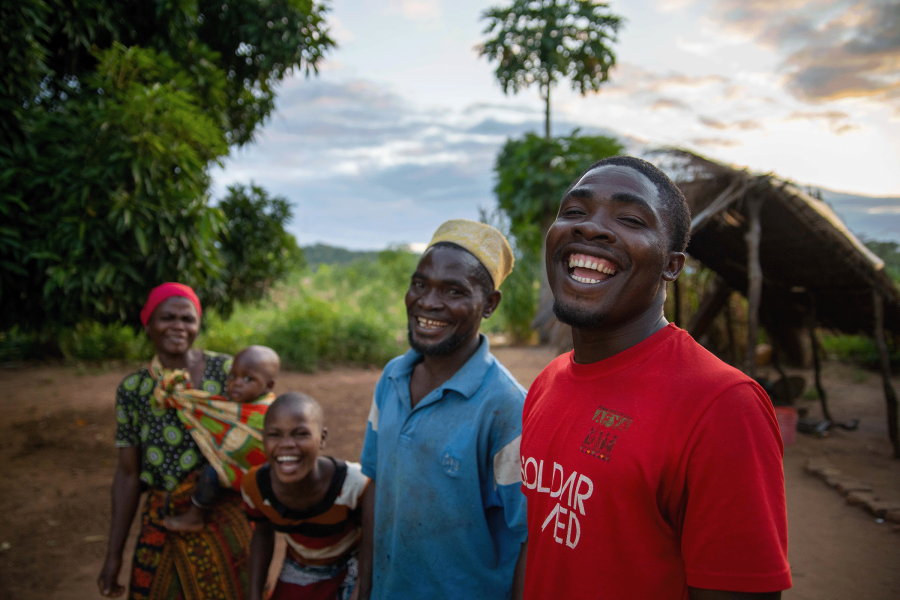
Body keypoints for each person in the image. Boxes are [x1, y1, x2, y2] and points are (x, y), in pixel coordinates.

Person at [519, 156, 791, 599]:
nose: (590, 228)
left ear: (673, 265)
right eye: (574, 212)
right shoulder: (546, 384)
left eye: (629, 218)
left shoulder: (722, 406)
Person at [358, 219, 528, 600]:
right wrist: (364, 588)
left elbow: (527, 539)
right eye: (420, 284)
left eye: (453, 290)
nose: (429, 302)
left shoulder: (506, 407)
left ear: (489, 304)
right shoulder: (392, 377)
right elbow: (376, 483)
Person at [98, 283, 251, 600]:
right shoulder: (134, 389)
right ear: (148, 324)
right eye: (168, 317)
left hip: (223, 514)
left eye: (188, 318)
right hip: (163, 519)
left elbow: (255, 433)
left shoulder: (228, 373)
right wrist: (114, 553)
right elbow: (128, 474)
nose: (179, 326)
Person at [242, 392, 370, 600]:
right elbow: (263, 534)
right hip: (300, 567)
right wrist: (255, 596)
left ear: (322, 439)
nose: (287, 444)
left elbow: (372, 542)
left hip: (352, 567)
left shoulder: (354, 484)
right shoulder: (255, 486)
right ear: (263, 439)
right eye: (274, 435)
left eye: (300, 434)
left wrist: (359, 593)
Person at [163, 345, 281, 533]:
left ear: (268, 386)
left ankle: (195, 516)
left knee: (211, 473)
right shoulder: (229, 408)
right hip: (244, 472)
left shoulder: (270, 412)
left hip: (261, 477)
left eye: (248, 379)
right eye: (232, 376)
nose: (237, 383)